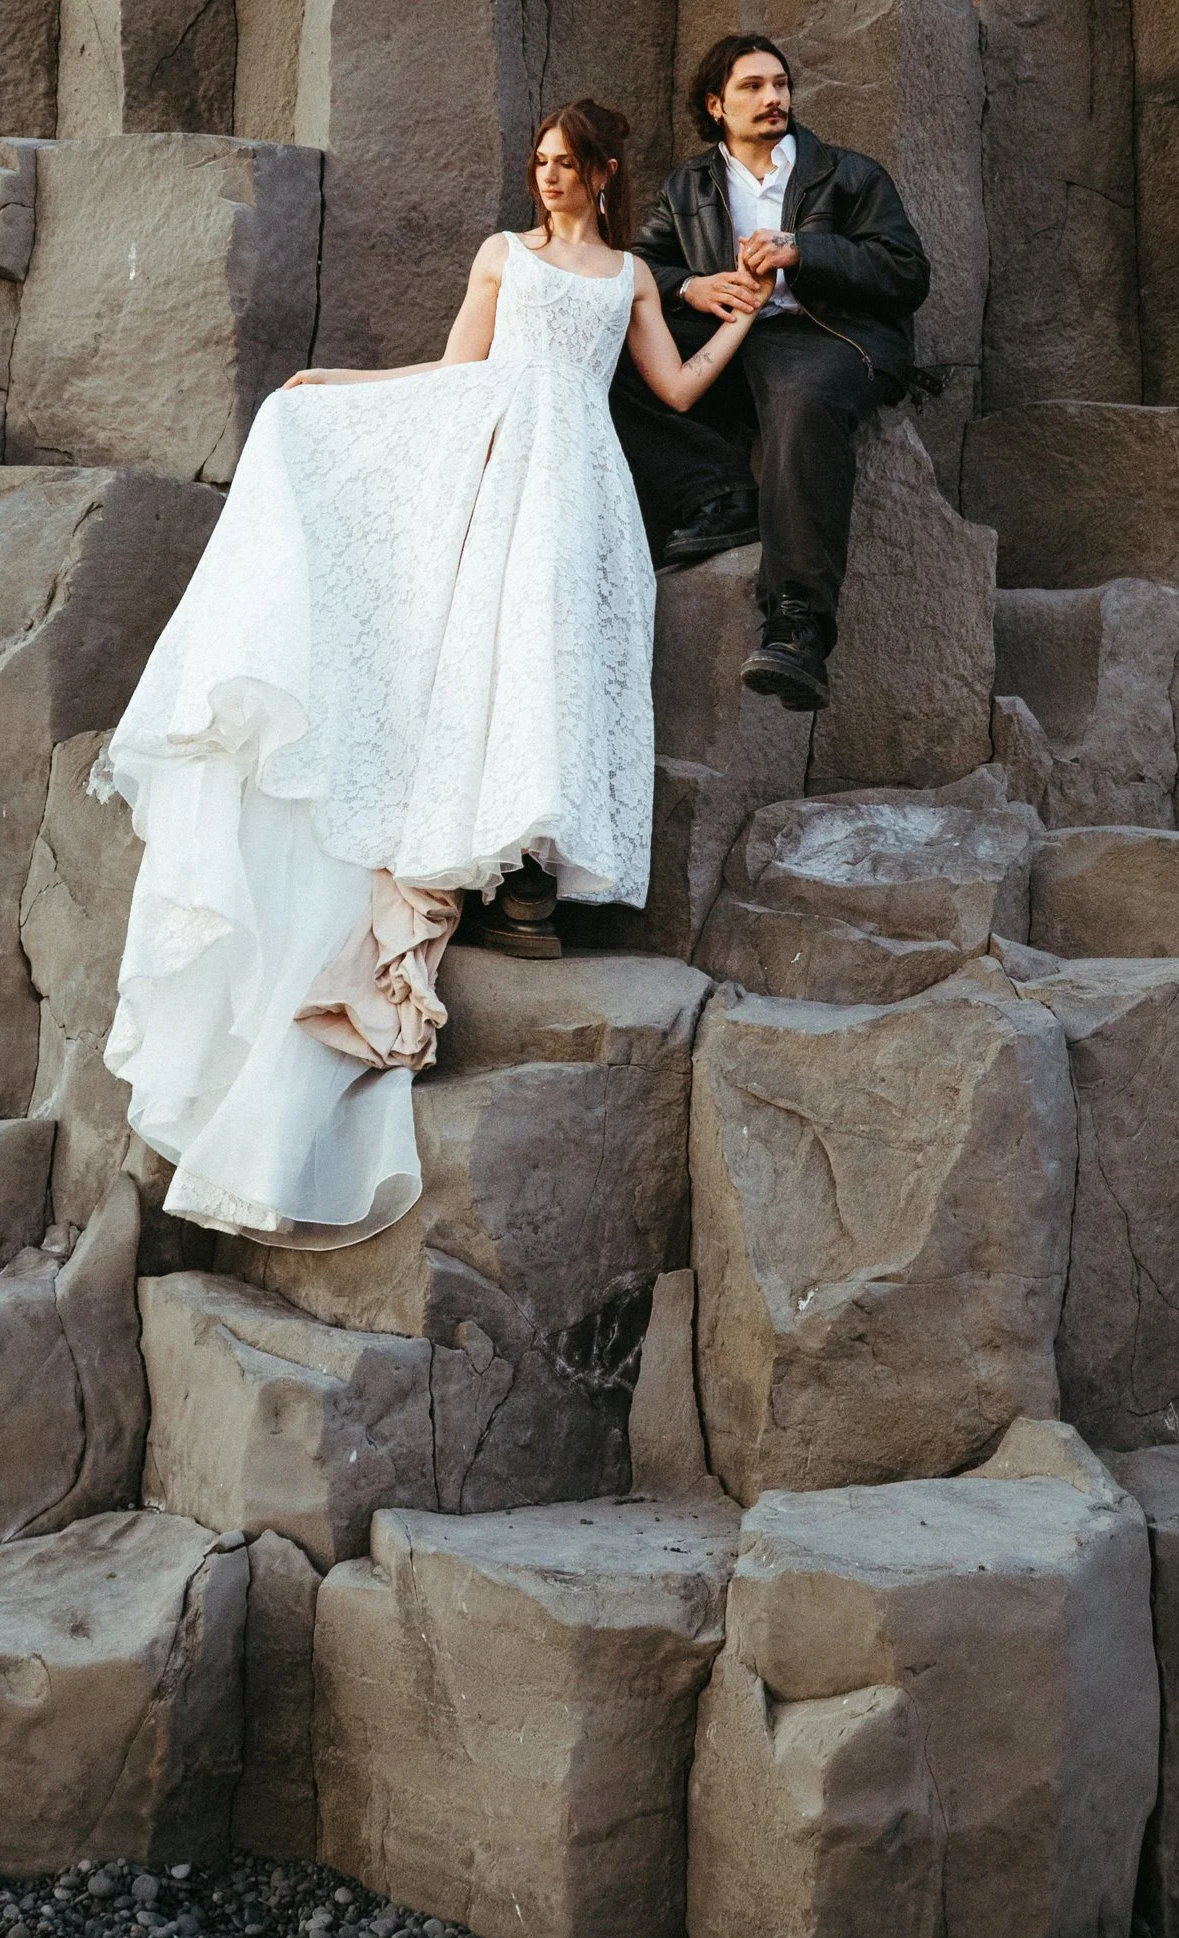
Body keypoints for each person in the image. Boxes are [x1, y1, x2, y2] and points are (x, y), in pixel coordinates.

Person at [97, 98, 770, 1251]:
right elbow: (456, 372)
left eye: (568, 166)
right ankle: (498, 863)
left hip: (590, 485)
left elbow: (673, 391)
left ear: (605, 176)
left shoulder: (628, 279)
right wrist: (344, 386)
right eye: (541, 163)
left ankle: (534, 883)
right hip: (502, 464)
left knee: (567, 660)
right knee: (494, 656)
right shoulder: (501, 254)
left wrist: (743, 322)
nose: (548, 179)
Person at [613, 31, 930, 714]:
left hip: (828, 334)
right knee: (608, 353)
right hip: (731, 334)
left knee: (803, 401)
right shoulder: (690, 184)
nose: (772, 97)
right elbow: (634, 270)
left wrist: (805, 251)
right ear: (715, 105)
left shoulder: (849, 174)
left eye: (779, 84)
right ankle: (718, 497)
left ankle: (798, 628)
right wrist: (688, 287)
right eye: (753, 87)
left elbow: (906, 273)